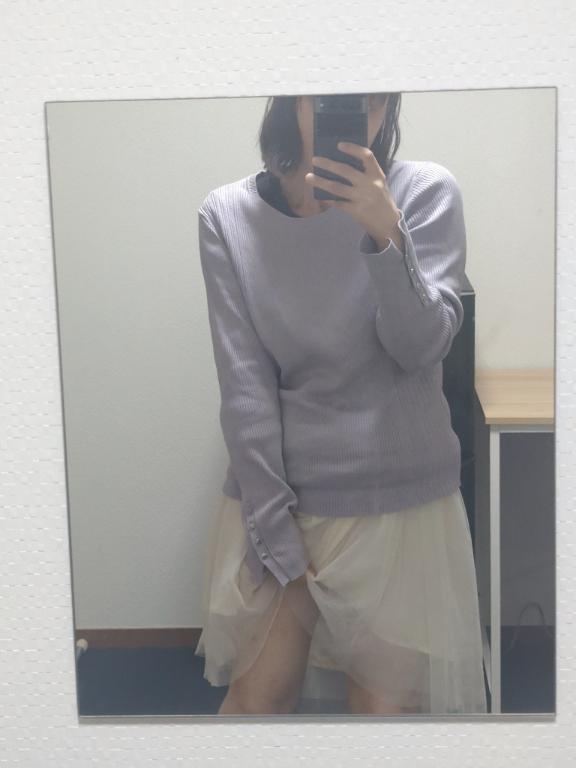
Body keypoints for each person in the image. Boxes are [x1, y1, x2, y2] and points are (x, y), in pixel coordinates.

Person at [193, 92, 488, 716]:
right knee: (255, 703)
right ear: (294, 97)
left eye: (374, 97)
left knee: (381, 717)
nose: (361, 110)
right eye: (335, 96)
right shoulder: (227, 215)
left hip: (398, 500)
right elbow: (244, 388)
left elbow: (419, 348)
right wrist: (273, 529)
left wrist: (386, 233)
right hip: (284, 497)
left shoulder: (426, 192)